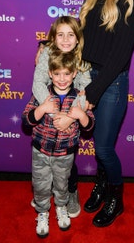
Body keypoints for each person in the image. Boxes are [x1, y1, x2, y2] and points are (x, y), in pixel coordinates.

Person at [79, 0, 134, 227]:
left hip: (111, 83)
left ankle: (116, 198)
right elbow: (83, 40)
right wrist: (47, 46)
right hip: (87, 78)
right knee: (101, 146)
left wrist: (92, 92)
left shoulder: (128, 0)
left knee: (103, 148)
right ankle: (102, 186)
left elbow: (119, 58)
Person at [23, 50, 95, 238]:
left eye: (66, 74)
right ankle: (42, 212)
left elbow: (89, 126)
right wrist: (42, 109)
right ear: (50, 74)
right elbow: (26, 120)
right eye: (57, 74)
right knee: (40, 185)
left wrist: (81, 115)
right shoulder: (42, 96)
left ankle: (61, 207)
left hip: (65, 154)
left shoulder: (79, 99)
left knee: (62, 185)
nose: (62, 79)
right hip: (40, 152)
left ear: (74, 74)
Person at [31, 16, 91, 218]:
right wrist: (52, 110)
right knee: (43, 163)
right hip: (49, 109)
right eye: (60, 35)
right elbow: (38, 83)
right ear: (53, 38)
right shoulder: (47, 52)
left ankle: (68, 193)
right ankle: (42, 194)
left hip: (70, 114)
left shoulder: (83, 57)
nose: (66, 40)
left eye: (71, 35)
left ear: (78, 38)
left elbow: (85, 91)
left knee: (66, 163)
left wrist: (70, 117)